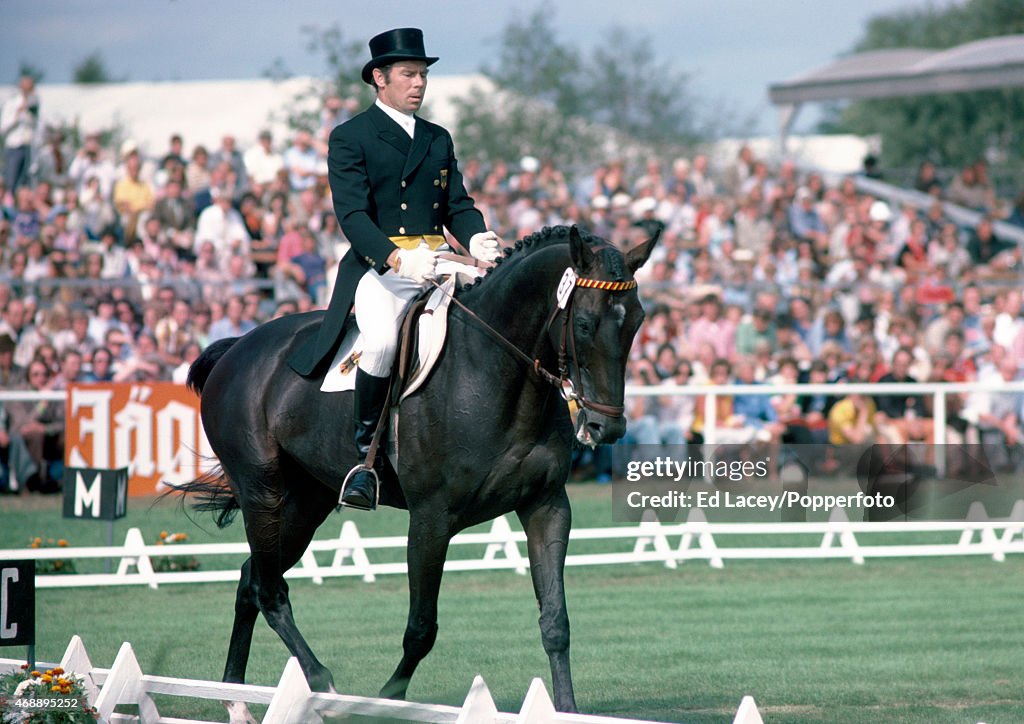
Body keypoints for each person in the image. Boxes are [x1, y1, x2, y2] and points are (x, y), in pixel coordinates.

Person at [287, 28, 502, 510]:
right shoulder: (350, 136)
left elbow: (457, 205)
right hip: (381, 267)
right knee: (382, 341)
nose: (419, 83)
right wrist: (397, 256)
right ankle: (365, 460)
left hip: (440, 262)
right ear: (379, 78)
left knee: (495, 319)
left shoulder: (436, 137)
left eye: (423, 74)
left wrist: (476, 237)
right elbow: (353, 217)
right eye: (409, 74)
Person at [1, 74, 40, 195]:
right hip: (14, 146)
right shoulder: (11, 103)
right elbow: (3, 127)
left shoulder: (34, 104)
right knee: (11, 180)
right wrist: (17, 114)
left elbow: (36, 125)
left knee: (25, 181)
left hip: (28, 146)